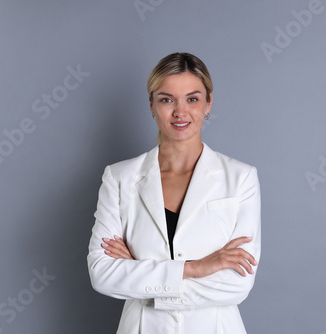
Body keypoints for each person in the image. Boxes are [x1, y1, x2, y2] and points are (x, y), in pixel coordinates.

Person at [87, 52, 261, 333]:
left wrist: (139, 272)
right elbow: (103, 274)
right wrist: (196, 268)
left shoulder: (241, 178)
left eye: (192, 99)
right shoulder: (119, 178)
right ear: (152, 105)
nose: (180, 112)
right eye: (167, 99)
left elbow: (237, 284)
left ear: (209, 103)